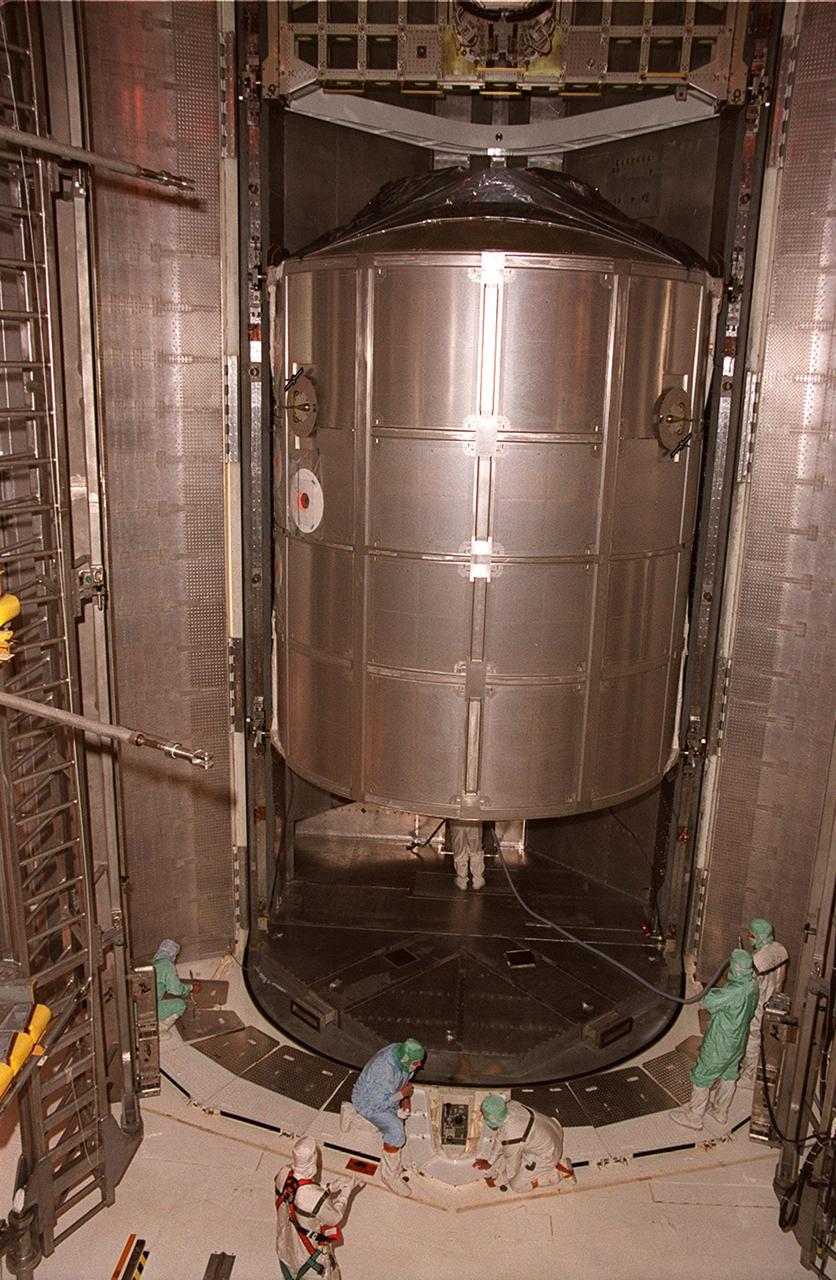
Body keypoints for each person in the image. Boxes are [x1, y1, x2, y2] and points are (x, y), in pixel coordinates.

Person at [670, 948, 759, 1131]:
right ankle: (720, 1111)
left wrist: (698, 988)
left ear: (735, 967)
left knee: (702, 1075)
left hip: (721, 1041)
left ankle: (695, 1116)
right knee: (729, 1074)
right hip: (738, 1041)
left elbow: (709, 1003)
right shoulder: (752, 985)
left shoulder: (733, 991)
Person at [351, 1038, 425, 1197]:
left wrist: (405, 1099)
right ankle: (389, 1176)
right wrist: (401, 1095)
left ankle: (361, 1121)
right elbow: (375, 1105)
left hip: (384, 1097)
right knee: (397, 1133)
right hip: (368, 1103)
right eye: (417, 1063)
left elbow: (404, 1080)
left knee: (398, 1119)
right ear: (407, 1058)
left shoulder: (401, 1054)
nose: (420, 1066)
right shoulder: (384, 1070)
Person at [275, 1135, 351, 1280]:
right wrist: (346, 1193)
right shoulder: (315, 1198)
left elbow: (298, 1191)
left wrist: (329, 1188)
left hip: (285, 1244)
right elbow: (335, 1218)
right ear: (313, 1163)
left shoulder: (283, 1173)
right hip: (309, 1259)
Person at [473, 1095, 575, 1193]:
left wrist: (496, 1181)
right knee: (523, 1146)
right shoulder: (511, 1105)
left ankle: (559, 1172)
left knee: (517, 1186)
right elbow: (501, 1136)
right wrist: (490, 1162)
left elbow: (512, 1169)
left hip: (549, 1154)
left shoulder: (512, 1136)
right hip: (554, 1130)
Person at [741, 918, 789, 1083]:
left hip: (759, 1003)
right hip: (773, 1000)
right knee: (761, 1036)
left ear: (758, 936)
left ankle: (749, 1074)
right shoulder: (778, 950)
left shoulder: (758, 960)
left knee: (753, 1037)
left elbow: (745, 982)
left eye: (751, 934)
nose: (749, 937)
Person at [150, 938, 192, 1024]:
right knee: (180, 1005)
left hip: (134, 1007)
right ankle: (162, 1028)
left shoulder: (152, 962)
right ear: (172, 953)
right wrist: (190, 987)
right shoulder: (167, 965)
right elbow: (177, 990)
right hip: (147, 1011)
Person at [449, 819, 485, 891]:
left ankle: (462, 879)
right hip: (474, 816)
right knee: (475, 849)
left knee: (459, 849)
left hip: (457, 816)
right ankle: (478, 879)